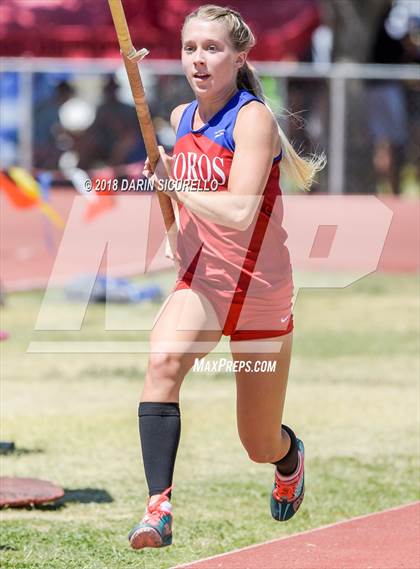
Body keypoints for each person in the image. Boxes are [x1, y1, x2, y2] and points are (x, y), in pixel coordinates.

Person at [128, 4, 324, 550]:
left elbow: (239, 211)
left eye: (212, 48)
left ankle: (288, 458)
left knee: (258, 441)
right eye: (191, 48)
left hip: (261, 292)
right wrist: (174, 227)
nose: (199, 59)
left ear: (239, 58)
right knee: (163, 360)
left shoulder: (253, 118)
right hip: (206, 284)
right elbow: (186, 198)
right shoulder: (179, 118)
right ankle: (157, 512)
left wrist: (171, 183)